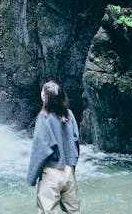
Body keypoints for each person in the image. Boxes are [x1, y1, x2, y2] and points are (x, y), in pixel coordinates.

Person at [26, 81, 81, 214]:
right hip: (69, 171)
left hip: (51, 173)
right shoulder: (69, 115)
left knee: (48, 211)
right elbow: (76, 141)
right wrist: (72, 166)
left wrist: (32, 178)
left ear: (45, 98)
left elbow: (40, 150)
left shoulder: (44, 118)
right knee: (74, 211)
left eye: (43, 92)